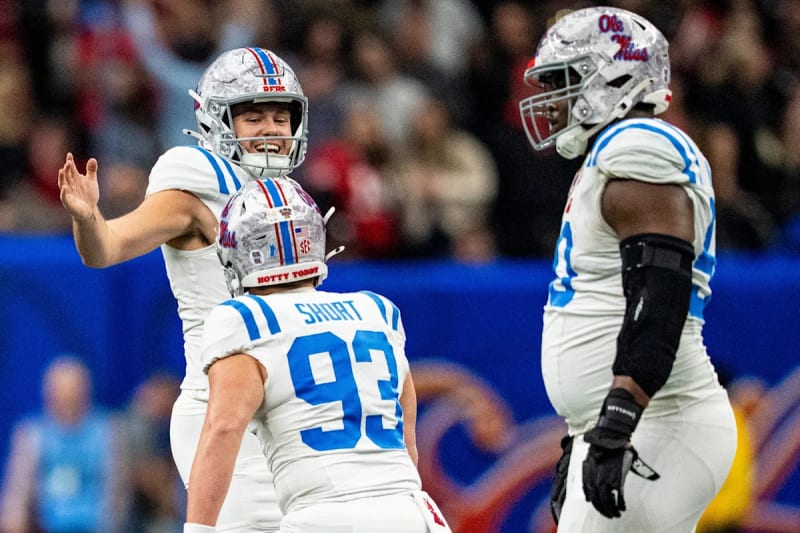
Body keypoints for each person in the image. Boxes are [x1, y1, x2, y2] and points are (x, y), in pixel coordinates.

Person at [57, 46, 311, 532]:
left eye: (280, 116)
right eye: (254, 116)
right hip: (223, 411)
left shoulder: (288, 195)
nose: (271, 130)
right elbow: (106, 248)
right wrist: (89, 218)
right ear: (218, 120)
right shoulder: (199, 179)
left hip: (285, 410)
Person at [517, 7, 737, 532]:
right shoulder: (611, 153)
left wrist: (619, 415)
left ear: (611, 75)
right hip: (642, 419)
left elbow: (660, 297)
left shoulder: (639, 146)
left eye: (565, 81)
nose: (553, 99)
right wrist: (585, 429)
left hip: (663, 418)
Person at [184, 178, 450, 532]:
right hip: (411, 512)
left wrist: (198, 529)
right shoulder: (377, 311)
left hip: (326, 516)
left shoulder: (245, 320)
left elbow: (223, 427)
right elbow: (407, 440)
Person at [0, 356, 126, 533]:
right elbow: (16, 496)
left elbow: (116, 499)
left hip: (96, 527)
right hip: (44, 527)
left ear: (85, 394)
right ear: (48, 396)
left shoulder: (108, 432)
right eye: (61, 395)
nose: (68, 402)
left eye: (73, 395)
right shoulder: (31, 434)